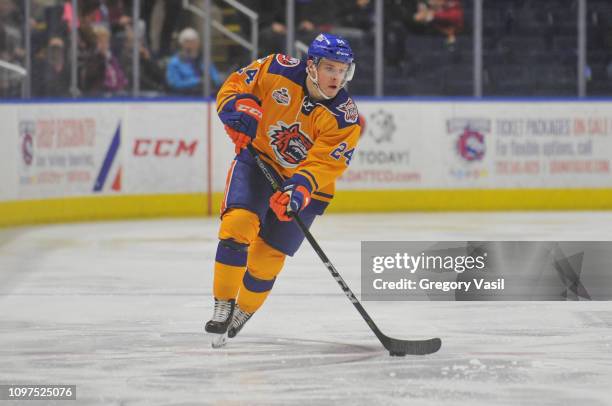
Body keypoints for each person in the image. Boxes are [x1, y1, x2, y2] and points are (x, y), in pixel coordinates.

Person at [204, 33, 362, 345]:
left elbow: (325, 164)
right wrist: (237, 111)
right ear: (312, 66)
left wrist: (299, 190)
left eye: (342, 70)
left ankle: (245, 309)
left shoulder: (345, 117)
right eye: (330, 68)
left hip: (307, 188)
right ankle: (223, 303)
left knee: (267, 259)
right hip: (259, 162)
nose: (337, 77)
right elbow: (235, 86)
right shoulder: (276, 69)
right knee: (237, 225)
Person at [165, 27, 221, 95]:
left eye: (194, 41)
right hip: (184, 97)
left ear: (198, 43)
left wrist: (213, 81)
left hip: (206, 94)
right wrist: (197, 81)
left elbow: (216, 78)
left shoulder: (205, 60)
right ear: (181, 43)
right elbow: (174, 83)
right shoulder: (174, 62)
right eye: (187, 41)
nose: (191, 44)